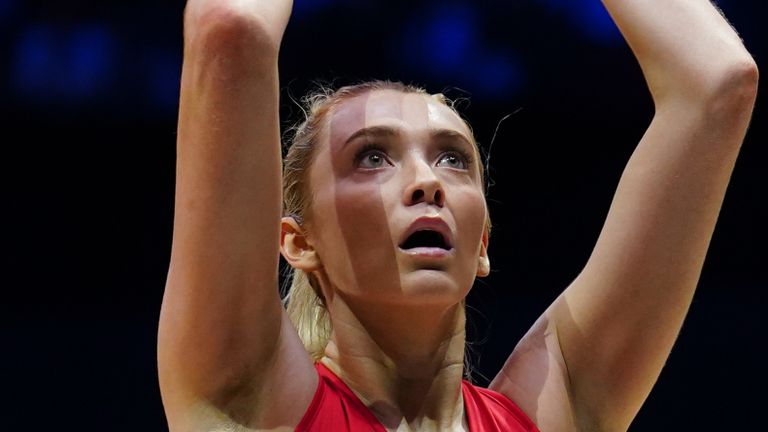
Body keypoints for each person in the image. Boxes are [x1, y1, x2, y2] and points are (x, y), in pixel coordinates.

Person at [157, 0, 758, 430]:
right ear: (299, 242)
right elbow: (229, 26)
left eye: (453, 159)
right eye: (371, 157)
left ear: (483, 244)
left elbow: (718, 83)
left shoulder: (553, 412)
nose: (427, 183)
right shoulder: (247, 400)